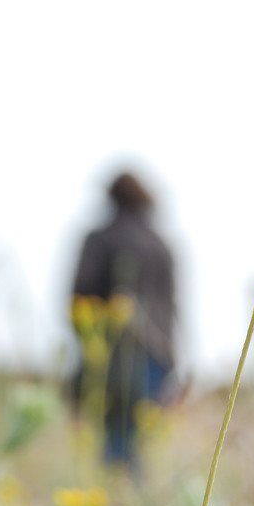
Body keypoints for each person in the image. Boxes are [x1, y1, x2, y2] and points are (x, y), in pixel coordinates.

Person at [70, 171, 176, 475]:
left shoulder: (99, 239)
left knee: (115, 437)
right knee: (139, 440)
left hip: (111, 356)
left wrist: (88, 348)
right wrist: (171, 361)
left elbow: (79, 297)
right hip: (156, 357)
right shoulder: (160, 246)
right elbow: (173, 310)